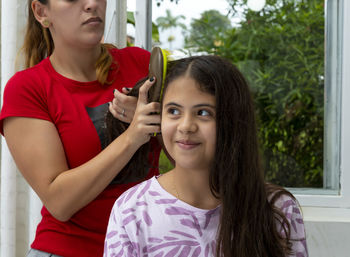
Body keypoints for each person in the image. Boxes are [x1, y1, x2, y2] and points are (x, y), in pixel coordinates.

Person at [0, 0, 161, 256]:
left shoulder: (141, 63)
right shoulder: (28, 89)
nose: (91, 4)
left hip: (146, 248)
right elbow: (59, 202)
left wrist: (159, 119)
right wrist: (132, 136)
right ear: (42, 13)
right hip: (66, 250)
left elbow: (189, 150)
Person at [104, 55, 309, 257]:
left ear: (233, 121)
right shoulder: (133, 211)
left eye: (203, 113)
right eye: (174, 111)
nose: (185, 126)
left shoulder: (278, 209)